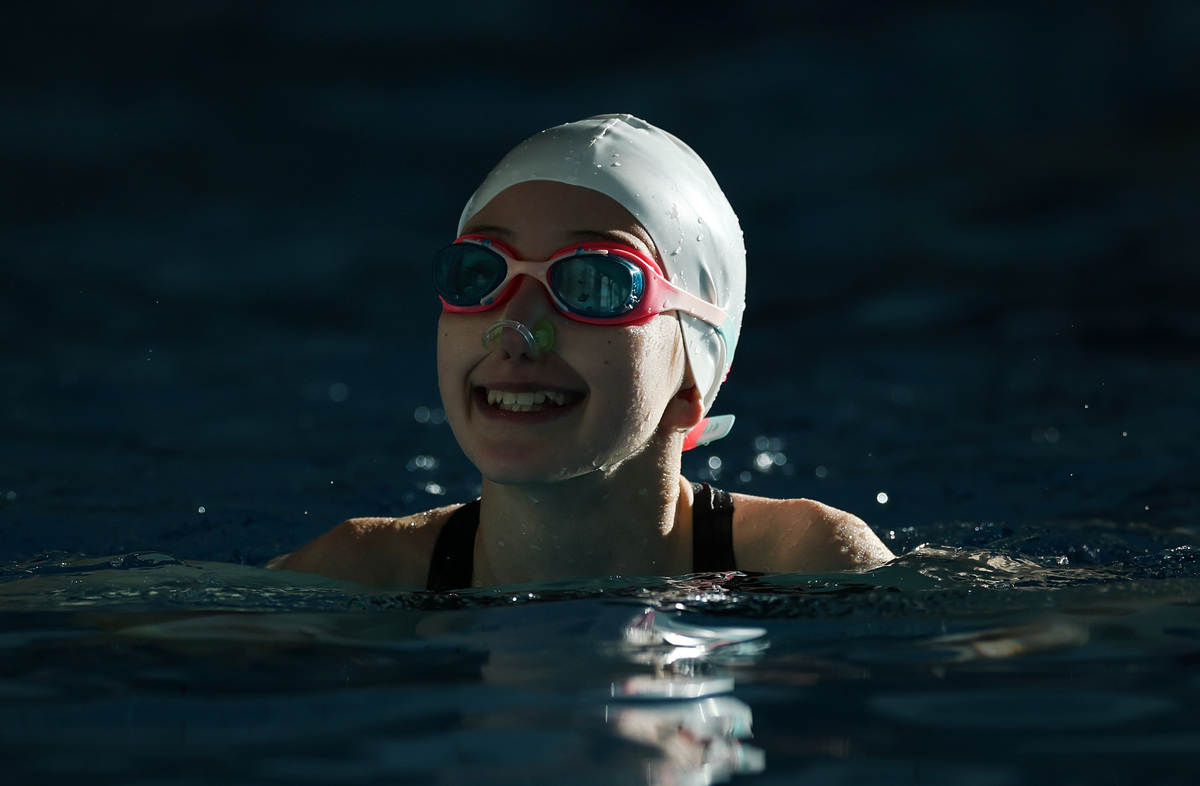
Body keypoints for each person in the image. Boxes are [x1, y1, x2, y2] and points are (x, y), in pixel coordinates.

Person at [268, 114, 894, 589]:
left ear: (691, 380)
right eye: (479, 272)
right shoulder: (360, 573)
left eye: (594, 283)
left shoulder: (804, 561)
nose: (515, 329)